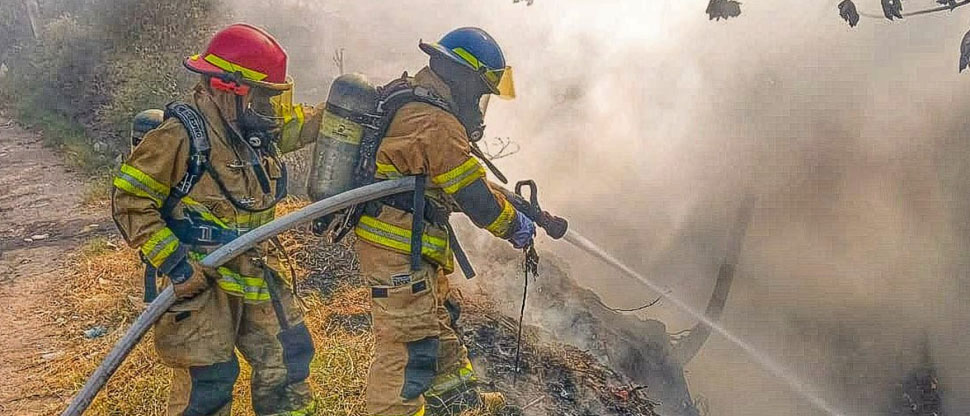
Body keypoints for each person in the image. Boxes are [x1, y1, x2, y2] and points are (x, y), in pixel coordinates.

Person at [111, 23, 318, 416]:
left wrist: (359, 103)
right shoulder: (179, 136)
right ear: (230, 89)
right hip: (201, 280)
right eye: (263, 97)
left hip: (256, 271)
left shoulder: (252, 128)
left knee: (288, 360)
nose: (270, 108)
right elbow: (131, 198)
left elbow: (306, 124)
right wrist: (175, 264)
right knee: (210, 382)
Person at [353, 27, 535, 416]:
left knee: (438, 321)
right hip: (398, 247)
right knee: (407, 346)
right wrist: (513, 226)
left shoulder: (424, 108)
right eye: (481, 93)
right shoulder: (434, 122)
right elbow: (474, 197)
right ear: (464, 80)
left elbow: (458, 178)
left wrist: (517, 208)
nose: (480, 105)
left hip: (410, 245)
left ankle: (456, 400)